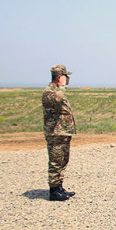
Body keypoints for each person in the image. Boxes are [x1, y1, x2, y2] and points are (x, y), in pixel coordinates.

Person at [43, 64, 77, 201]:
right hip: (55, 132)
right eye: (65, 76)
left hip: (62, 132)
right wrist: (61, 85)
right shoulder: (49, 91)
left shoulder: (56, 90)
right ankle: (54, 190)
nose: (67, 79)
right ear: (59, 77)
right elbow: (58, 99)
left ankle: (59, 187)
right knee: (56, 161)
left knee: (63, 160)